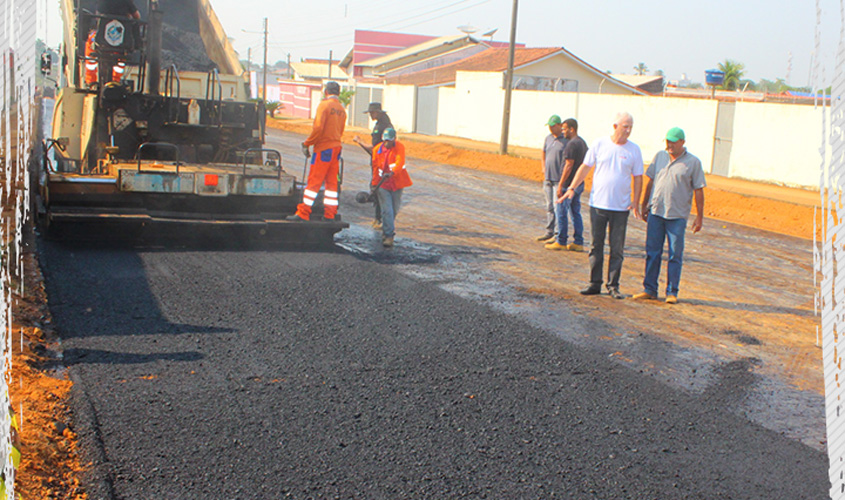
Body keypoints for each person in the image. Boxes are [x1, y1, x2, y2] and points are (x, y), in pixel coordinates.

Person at [560, 112, 643, 299]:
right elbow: (584, 167)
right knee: (596, 246)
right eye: (625, 126)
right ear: (615, 126)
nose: (628, 131)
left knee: (617, 248)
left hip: (621, 208)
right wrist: (572, 187)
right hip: (598, 204)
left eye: (630, 127)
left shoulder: (634, 150)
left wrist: (636, 201)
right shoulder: (599, 144)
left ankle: (613, 285)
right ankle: (594, 283)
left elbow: (638, 178)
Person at [632, 127, 706, 304]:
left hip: (677, 216)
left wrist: (700, 216)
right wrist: (645, 204)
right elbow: (651, 181)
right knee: (652, 252)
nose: (669, 145)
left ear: (682, 142)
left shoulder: (693, 163)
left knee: (674, 254)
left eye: (673, 141)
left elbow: (699, 190)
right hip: (656, 212)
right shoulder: (660, 157)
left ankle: (672, 291)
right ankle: (649, 288)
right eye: (668, 141)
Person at [288, 81, 347, 222]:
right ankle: (330, 215)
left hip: (324, 149)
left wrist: (307, 143)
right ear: (338, 93)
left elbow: (318, 128)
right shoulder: (341, 109)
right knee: (332, 184)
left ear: (326, 92)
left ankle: (303, 213)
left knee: (314, 181)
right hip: (336, 148)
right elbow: (341, 130)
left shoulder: (324, 105)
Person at [546, 118, 588, 252]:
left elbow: (568, 165)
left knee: (561, 211)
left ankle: (561, 240)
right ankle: (578, 241)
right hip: (578, 183)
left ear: (572, 129)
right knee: (575, 212)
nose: (563, 132)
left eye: (564, 129)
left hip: (569, 184)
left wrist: (561, 185)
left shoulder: (571, 145)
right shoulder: (582, 143)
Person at [353, 102, 393, 230]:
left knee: (377, 189)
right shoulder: (388, 125)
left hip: (380, 162)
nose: (370, 115)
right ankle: (381, 219)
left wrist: (359, 141)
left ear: (377, 112)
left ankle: (380, 220)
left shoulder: (379, 127)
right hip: (387, 161)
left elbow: (373, 149)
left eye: (371, 113)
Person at [371, 128, 412, 247]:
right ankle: (389, 235)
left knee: (394, 209)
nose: (387, 143)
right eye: (385, 141)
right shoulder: (376, 150)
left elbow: (399, 162)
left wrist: (392, 172)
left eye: (389, 141)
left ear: (394, 139)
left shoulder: (399, 147)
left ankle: (386, 228)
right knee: (387, 210)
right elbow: (374, 168)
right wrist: (374, 184)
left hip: (397, 183)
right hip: (383, 185)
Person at [85, 0, 140, 86]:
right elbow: (137, 16)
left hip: (101, 40)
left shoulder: (102, 2)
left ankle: (91, 81)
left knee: (90, 43)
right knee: (122, 55)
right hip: (122, 41)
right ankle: (116, 80)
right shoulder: (128, 2)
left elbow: (98, 15)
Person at [537, 114, 568, 242]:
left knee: (557, 207)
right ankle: (549, 231)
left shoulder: (565, 141)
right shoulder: (548, 138)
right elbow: (543, 152)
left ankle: (557, 233)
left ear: (559, 126)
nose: (550, 128)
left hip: (558, 179)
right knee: (549, 206)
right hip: (548, 178)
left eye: (552, 126)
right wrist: (543, 166)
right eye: (549, 126)